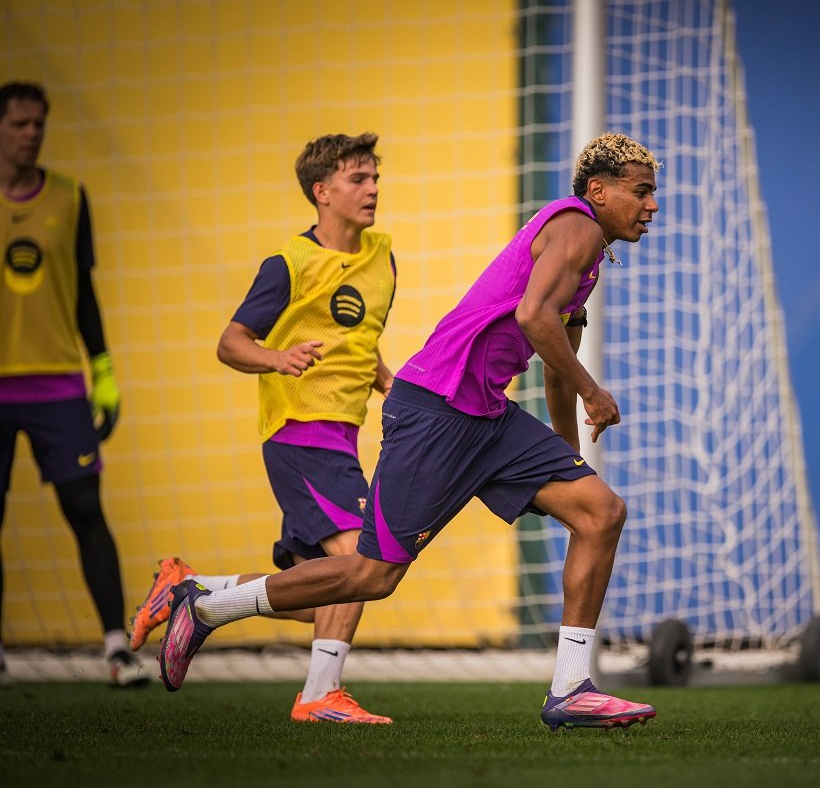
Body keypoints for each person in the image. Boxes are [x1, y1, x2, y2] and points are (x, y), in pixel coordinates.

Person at [157, 131, 661, 730]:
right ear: (598, 191)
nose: (651, 205)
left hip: (486, 415)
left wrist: (568, 464)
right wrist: (593, 391)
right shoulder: (576, 226)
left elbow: (554, 355)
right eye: (641, 192)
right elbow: (532, 318)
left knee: (600, 512)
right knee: (371, 576)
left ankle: (570, 689)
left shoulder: (585, 259)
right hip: (437, 410)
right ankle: (208, 606)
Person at [129, 133, 396, 723]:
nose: (373, 188)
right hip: (301, 432)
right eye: (359, 179)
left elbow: (360, 339)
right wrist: (278, 358)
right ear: (321, 192)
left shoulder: (383, 257)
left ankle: (191, 589)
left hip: (342, 435)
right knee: (362, 561)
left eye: (375, 177)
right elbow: (230, 343)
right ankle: (319, 695)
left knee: (312, 594)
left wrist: (387, 384)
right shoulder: (288, 263)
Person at [0, 81, 147, 686]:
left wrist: (104, 370)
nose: (32, 133)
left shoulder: (68, 197)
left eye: (39, 123)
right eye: (20, 124)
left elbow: (83, 291)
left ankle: (117, 649)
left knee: (86, 508)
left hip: (59, 384)